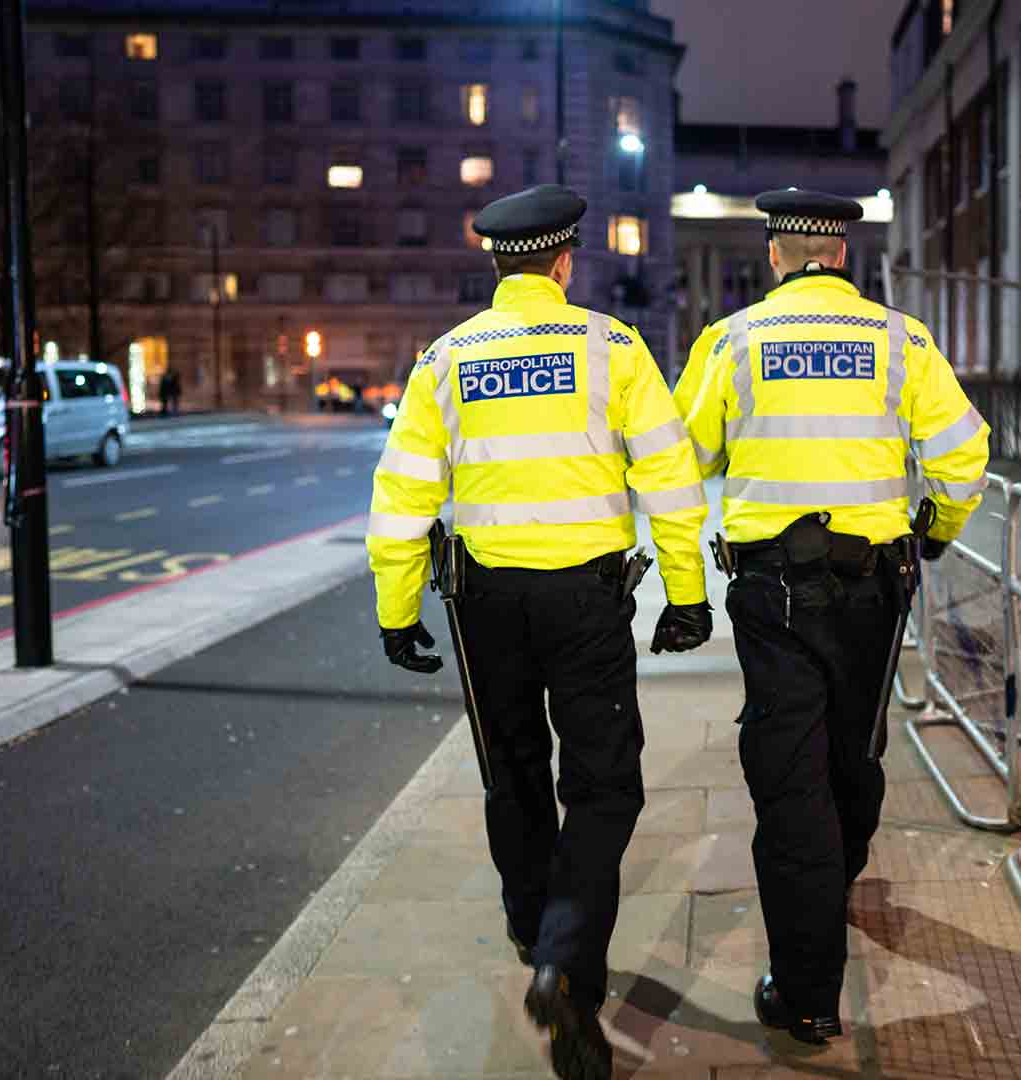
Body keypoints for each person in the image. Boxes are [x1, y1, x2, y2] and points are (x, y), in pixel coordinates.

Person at [367, 185, 712, 1080]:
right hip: (587, 603)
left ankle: (535, 935)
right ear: (564, 264)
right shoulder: (612, 346)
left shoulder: (446, 359)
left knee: (511, 773)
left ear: (496, 263)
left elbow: (402, 494)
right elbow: (670, 478)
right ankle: (565, 962)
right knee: (603, 786)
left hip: (486, 605)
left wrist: (396, 609)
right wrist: (685, 593)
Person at [676, 190, 989, 1044]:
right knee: (854, 750)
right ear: (842, 255)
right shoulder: (901, 339)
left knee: (789, 773)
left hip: (774, 590)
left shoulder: (733, 341)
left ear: (776, 256)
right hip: (876, 584)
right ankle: (837, 877)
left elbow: (686, 452)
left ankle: (809, 993)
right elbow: (964, 451)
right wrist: (937, 530)